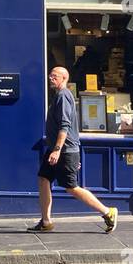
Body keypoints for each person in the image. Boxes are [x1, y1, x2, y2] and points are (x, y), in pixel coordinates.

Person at [29, 66, 118, 233]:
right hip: (58, 148)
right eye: (50, 75)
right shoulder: (58, 96)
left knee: (71, 187)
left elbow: (65, 126)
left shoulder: (63, 96)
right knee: (43, 179)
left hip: (63, 150)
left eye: (54, 76)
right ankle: (46, 221)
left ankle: (108, 212)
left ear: (64, 79)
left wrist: (57, 150)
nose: (50, 78)